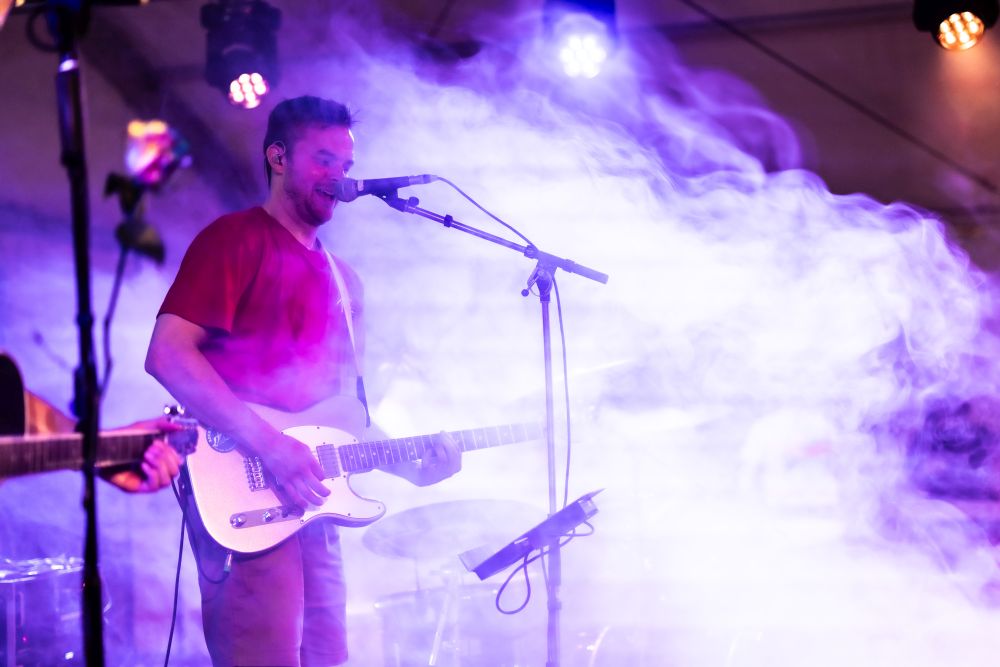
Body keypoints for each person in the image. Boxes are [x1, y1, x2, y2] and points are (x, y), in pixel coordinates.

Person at [145, 95, 461, 667]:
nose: (339, 176)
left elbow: (343, 417)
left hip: (314, 502)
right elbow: (167, 354)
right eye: (323, 160)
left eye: (346, 164)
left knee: (327, 657)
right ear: (278, 157)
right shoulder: (235, 239)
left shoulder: (346, 282)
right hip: (242, 486)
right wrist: (271, 444)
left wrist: (413, 467)